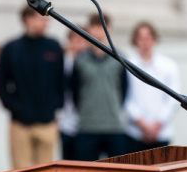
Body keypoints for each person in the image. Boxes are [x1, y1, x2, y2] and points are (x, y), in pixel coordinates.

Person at [0, 6, 64, 169]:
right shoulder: (12, 48)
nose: (46, 23)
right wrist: (15, 108)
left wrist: (54, 106)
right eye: (42, 19)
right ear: (28, 19)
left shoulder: (54, 47)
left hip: (47, 123)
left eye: (47, 20)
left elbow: (61, 82)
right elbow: (1, 84)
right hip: (20, 125)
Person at [71, 14, 128, 161]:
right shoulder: (80, 60)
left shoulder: (119, 58)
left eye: (103, 27)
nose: (99, 31)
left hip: (114, 126)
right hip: (87, 126)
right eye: (95, 27)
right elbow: (74, 91)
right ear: (89, 30)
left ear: (109, 30)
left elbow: (124, 89)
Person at [124, 22, 179, 153]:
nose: (145, 42)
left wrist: (157, 125)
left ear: (154, 39)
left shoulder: (169, 66)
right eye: (141, 38)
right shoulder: (126, 65)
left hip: (162, 133)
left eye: (148, 37)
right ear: (135, 41)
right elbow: (125, 97)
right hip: (135, 133)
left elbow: (173, 99)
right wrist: (143, 125)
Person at [57, 30, 87, 160]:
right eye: (75, 40)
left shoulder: (90, 64)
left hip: (87, 123)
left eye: (82, 40)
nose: (78, 44)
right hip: (66, 121)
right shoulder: (62, 63)